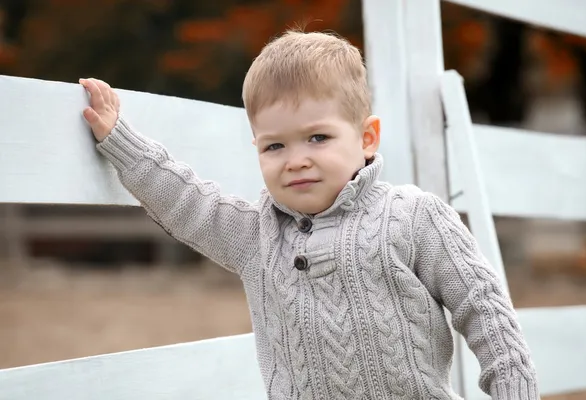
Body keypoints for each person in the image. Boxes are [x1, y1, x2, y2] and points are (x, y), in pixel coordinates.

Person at [79, 29, 539, 399]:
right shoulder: (256, 235)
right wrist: (120, 139)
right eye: (275, 145)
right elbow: (187, 202)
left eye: (318, 138)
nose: (296, 159)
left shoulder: (414, 217)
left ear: (367, 138)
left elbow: (486, 312)